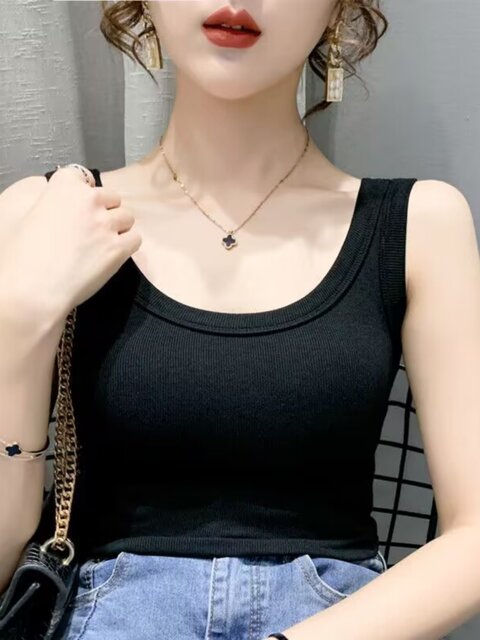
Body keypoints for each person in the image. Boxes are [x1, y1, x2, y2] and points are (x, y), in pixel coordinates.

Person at [1, 2, 479, 639]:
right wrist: (19, 316)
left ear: (338, 9)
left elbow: (475, 536)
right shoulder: (45, 215)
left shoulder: (419, 224)